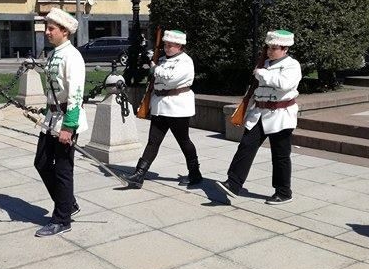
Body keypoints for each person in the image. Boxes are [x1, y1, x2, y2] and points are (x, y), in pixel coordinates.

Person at [217, 30, 302, 204]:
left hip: (281, 115)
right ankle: (233, 183)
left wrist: (261, 73)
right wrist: (245, 109)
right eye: (268, 47)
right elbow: (256, 91)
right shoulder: (265, 64)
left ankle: (284, 192)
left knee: (280, 155)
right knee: (245, 147)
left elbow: (285, 84)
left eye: (274, 48)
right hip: (259, 113)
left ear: (285, 49)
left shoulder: (292, 65)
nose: (270, 51)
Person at [124, 30, 202, 189]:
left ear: (179, 46)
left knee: (183, 141)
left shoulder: (185, 61)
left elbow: (172, 79)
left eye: (170, 45)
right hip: (160, 105)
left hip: (177, 107)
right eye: (165, 45)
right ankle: (139, 174)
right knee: (153, 142)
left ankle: (195, 173)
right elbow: (157, 81)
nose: (167, 48)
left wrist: (155, 70)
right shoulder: (161, 60)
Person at [33, 8, 87, 237]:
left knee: (63, 170)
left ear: (65, 31)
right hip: (52, 118)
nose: (47, 32)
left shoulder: (72, 56)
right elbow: (53, 91)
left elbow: (75, 94)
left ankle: (62, 220)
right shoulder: (55, 53)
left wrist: (68, 127)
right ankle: (68, 203)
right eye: (47, 28)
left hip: (66, 119)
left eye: (51, 28)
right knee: (42, 162)